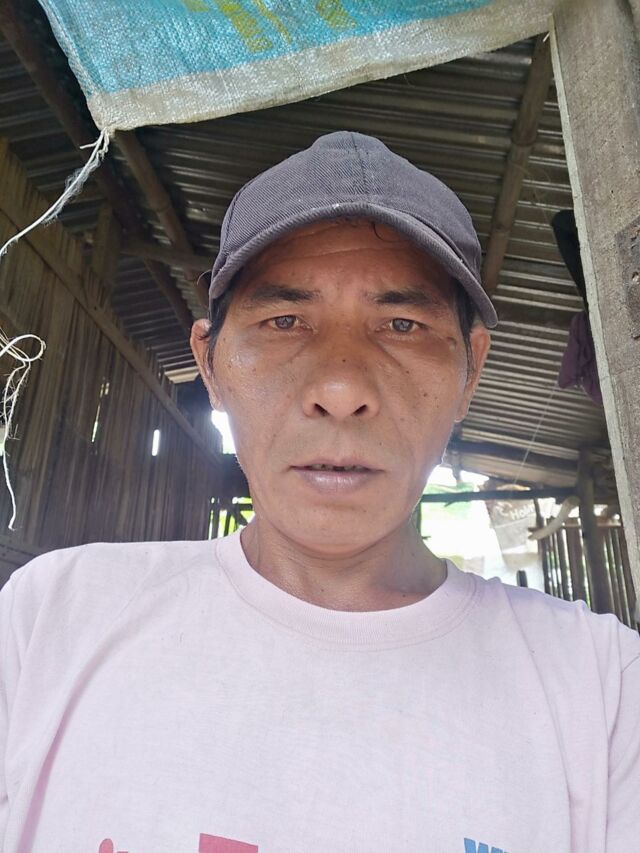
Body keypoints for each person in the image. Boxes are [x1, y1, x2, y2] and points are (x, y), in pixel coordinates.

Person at [0, 132, 638, 853]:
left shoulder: (603, 689)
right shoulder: (52, 617)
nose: (339, 388)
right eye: (284, 321)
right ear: (210, 364)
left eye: (402, 325)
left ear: (471, 371)